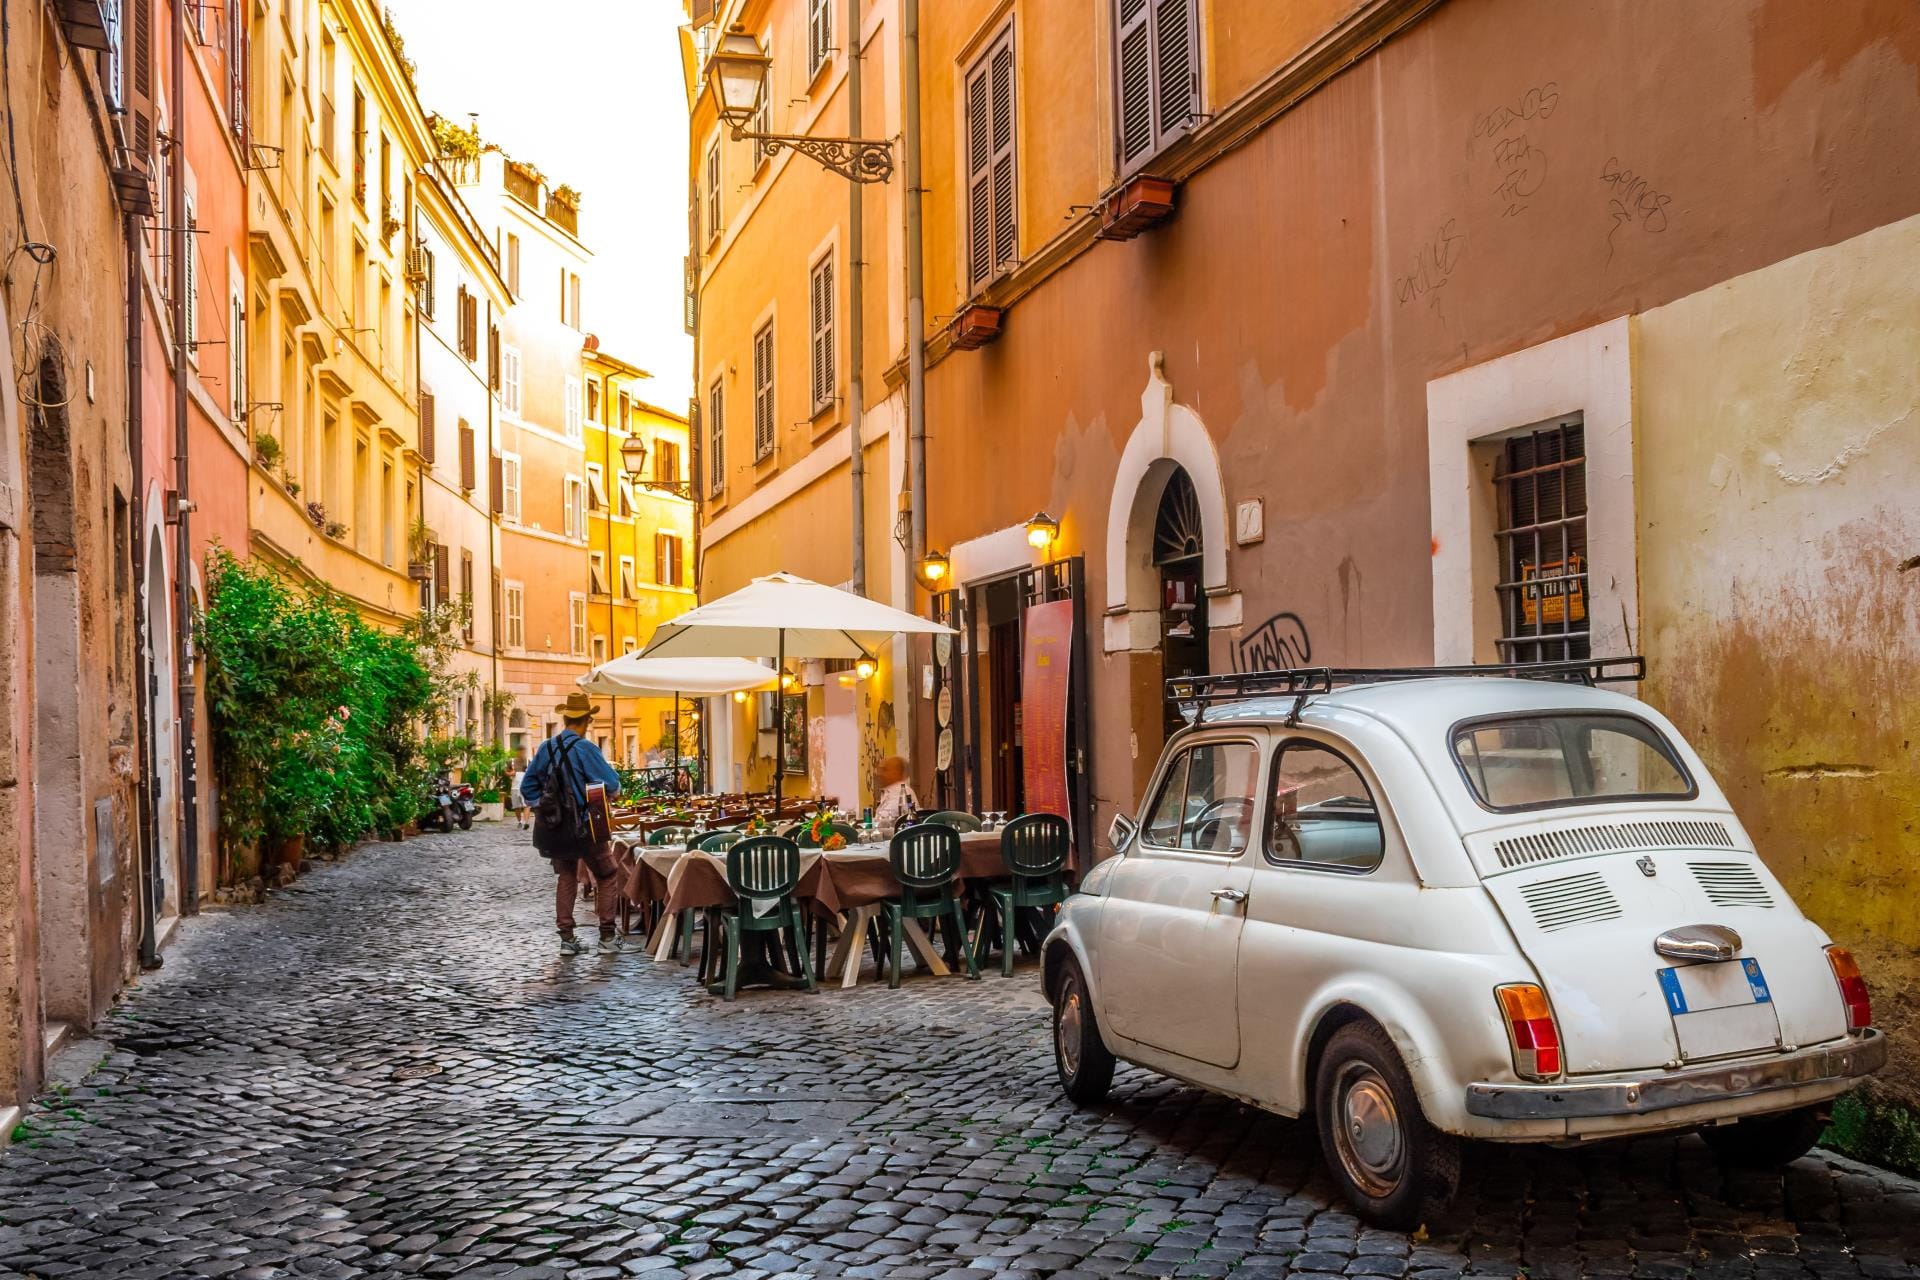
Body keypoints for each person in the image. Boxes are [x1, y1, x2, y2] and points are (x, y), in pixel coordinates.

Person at [520, 693, 625, 955]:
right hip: (587, 824)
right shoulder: (586, 748)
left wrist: (543, 808)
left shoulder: (546, 747)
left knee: (566, 877)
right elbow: (611, 784)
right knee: (607, 874)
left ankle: (567, 939)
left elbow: (527, 787)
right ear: (586, 720)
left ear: (566, 718)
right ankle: (607, 937)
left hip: (556, 827)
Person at [872, 755, 919, 831]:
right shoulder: (889, 791)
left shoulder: (902, 792)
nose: (881, 774)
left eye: (885, 770)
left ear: (896, 772)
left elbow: (883, 823)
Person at [507, 749, 530, 829]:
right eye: (520, 751)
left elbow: (533, 772)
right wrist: (510, 773)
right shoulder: (511, 762)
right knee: (517, 806)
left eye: (523, 751)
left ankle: (525, 822)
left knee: (526, 805)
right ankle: (520, 821)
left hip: (525, 787)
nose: (521, 753)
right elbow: (505, 772)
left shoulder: (528, 761)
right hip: (515, 787)